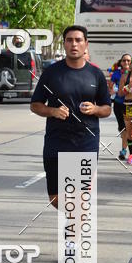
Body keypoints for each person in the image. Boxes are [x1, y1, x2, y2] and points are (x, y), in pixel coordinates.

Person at [30, 25, 111, 208]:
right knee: (55, 198)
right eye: (70, 40)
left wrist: (95, 109)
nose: (74, 44)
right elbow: (35, 105)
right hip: (56, 141)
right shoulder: (52, 73)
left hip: (86, 142)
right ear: (65, 44)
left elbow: (107, 109)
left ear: (86, 44)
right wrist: (53, 111)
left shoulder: (95, 74)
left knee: (79, 197)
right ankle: (72, 219)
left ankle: (75, 225)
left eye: (78, 40)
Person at [109, 53, 131, 159]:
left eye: (128, 60)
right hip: (118, 104)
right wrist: (112, 91)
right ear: (121, 62)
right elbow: (110, 87)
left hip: (131, 104)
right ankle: (124, 149)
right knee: (122, 128)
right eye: (124, 60)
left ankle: (125, 150)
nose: (126, 62)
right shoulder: (116, 74)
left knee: (129, 128)